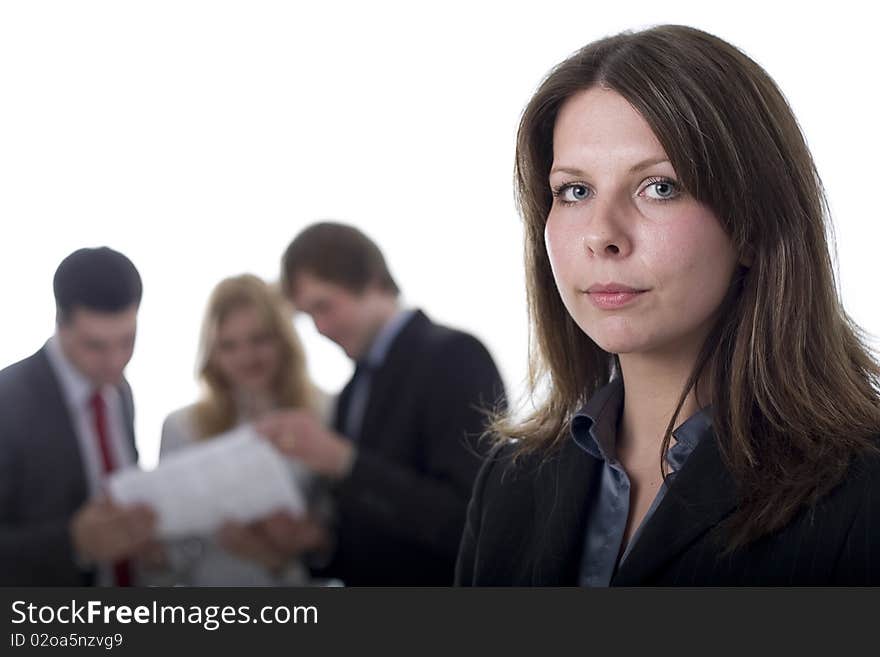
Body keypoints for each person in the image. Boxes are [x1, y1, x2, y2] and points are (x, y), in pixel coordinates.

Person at [455, 25, 880, 586]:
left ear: (751, 225)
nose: (602, 235)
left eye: (659, 186)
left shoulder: (863, 493)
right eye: (574, 191)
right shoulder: (510, 483)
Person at [253, 222, 506, 585]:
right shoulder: (352, 390)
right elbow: (364, 536)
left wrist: (343, 461)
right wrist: (314, 542)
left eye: (324, 306)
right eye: (308, 315)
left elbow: (469, 520)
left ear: (373, 283)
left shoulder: (455, 356)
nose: (320, 328)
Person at [156, 274, 331, 586]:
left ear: (283, 339)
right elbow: (169, 548)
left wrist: (292, 544)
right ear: (212, 353)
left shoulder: (325, 414)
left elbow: (339, 536)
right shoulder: (181, 427)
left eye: (259, 340)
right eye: (229, 346)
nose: (246, 358)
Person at [0, 247, 157, 585]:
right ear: (60, 324)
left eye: (127, 340)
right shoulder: (7, 402)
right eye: (96, 346)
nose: (116, 361)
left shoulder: (120, 392)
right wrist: (74, 543)